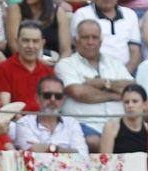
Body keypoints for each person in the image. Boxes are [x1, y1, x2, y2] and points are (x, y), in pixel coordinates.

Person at [57, 18, 133, 147]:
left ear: (101, 41)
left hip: (119, 124)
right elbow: (79, 93)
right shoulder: (66, 64)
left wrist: (103, 83)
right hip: (84, 124)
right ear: (76, 41)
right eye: (85, 37)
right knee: (94, 142)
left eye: (94, 37)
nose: (90, 42)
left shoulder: (114, 63)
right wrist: (114, 95)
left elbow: (131, 88)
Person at [8, 72, 88, 151]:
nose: (52, 99)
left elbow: (82, 154)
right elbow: (30, 151)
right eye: (47, 95)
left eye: (58, 96)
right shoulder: (24, 123)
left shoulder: (72, 123)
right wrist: (66, 150)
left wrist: (48, 148)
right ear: (37, 98)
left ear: (63, 100)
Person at [68, 0, 142, 73]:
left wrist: (123, 74)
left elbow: (135, 52)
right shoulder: (81, 14)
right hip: (92, 71)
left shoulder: (130, 14)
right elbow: (80, 49)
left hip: (127, 71)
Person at [0, 17, 53, 109]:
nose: (30, 46)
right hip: (15, 120)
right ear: (17, 42)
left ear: (42, 43)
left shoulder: (49, 72)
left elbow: (51, 106)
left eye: (35, 41)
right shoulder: (3, 68)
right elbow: (6, 108)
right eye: (25, 41)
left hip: (42, 120)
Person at [4, 0, 69, 62]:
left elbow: (65, 51)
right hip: (22, 62)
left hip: (52, 61)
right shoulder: (15, 9)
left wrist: (59, 66)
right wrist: (38, 63)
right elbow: (13, 45)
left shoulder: (58, 13)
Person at [97, 80, 148, 154]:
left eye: (135, 101)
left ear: (145, 104)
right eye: (126, 102)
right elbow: (106, 159)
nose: (130, 105)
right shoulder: (111, 126)